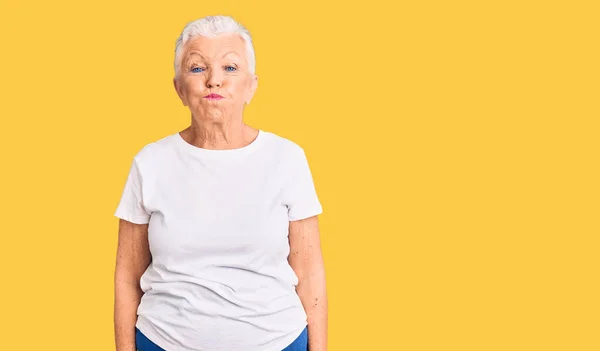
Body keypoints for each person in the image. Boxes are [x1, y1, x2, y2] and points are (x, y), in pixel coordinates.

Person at [113, 15, 328, 351]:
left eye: (230, 68)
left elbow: (310, 273)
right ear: (179, 88)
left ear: (252, 85)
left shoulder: (287, 159)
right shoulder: (149, 163)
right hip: (163, 341)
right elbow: (127, 278)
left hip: (277, 341)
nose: (214, 80)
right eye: (197, 68)